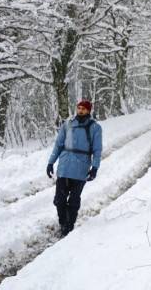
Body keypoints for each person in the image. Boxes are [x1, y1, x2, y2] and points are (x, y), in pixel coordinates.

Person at [46, 99, 103, 237]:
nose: (80, 110)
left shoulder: (95, 127)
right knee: (59, 199)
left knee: (74, 200)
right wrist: (50, 162)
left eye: (83, 108)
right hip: (64, 167)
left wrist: (94, 167)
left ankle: (69, 227)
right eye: (79, 108)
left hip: (81, 168)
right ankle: (63, 222)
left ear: (89, 110)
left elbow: (97, 150)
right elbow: (58, 144)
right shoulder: (68, 124)